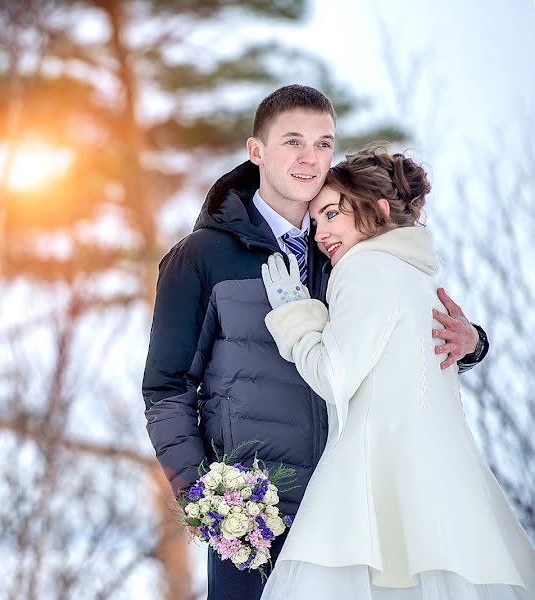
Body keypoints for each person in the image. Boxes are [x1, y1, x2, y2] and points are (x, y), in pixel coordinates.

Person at [141, 85, 490, 600]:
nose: (311, 158)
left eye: (324, 143)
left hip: (353, 510)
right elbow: (166, 390)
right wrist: (208, 502)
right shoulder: (201, 258)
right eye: (293, 142)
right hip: (255, 518)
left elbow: (393, 339)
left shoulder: (347, 245)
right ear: (257, 151)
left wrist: (472, 343)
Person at [258, 148, 535, 599]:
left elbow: (333, 376)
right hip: (441, 487)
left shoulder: (361, 267)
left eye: (331, 215)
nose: (321, 235)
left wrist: (295, 315)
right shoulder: (419, 277)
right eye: (315, 223)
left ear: (379, 210)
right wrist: (477, 344)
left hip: (371, 479)